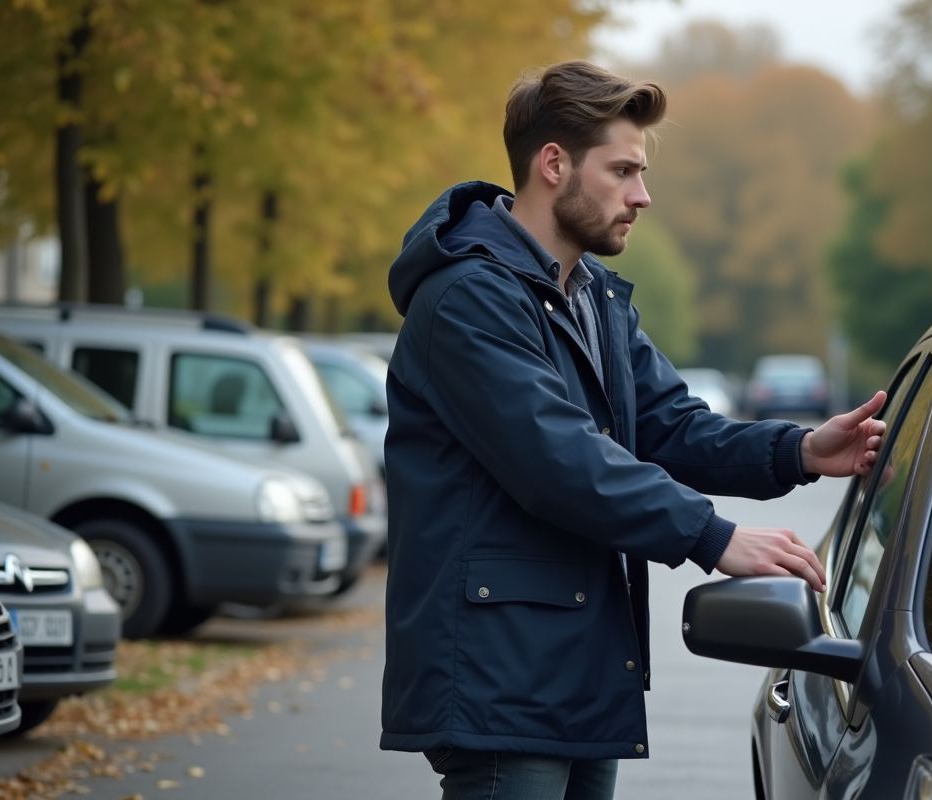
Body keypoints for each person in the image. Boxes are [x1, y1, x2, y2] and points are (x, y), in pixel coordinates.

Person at [380, 60, 886, 800]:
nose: (642, 195)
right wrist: (712, 536)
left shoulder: (591, 297)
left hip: (581, 672)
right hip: (499, 681)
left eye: (640, 173)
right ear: (554, 164)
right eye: (622, 171)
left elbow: (671, 426)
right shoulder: (467, 298)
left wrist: (800, 450)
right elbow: (557, 458)